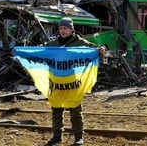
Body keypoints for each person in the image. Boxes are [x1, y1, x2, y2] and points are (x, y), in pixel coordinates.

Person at [45, 17, 106, 146]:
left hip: (73, 82)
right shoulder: (53, 44)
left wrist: (101, 49)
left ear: (71, 29)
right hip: (56, 82)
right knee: (56, 110)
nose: (62, 31)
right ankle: (57, 136)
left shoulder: (79, 43)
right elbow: (40, 51)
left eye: (65, 28)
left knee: (75, 110)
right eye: (60, 28)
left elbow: (93, 48)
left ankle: (78, 137)